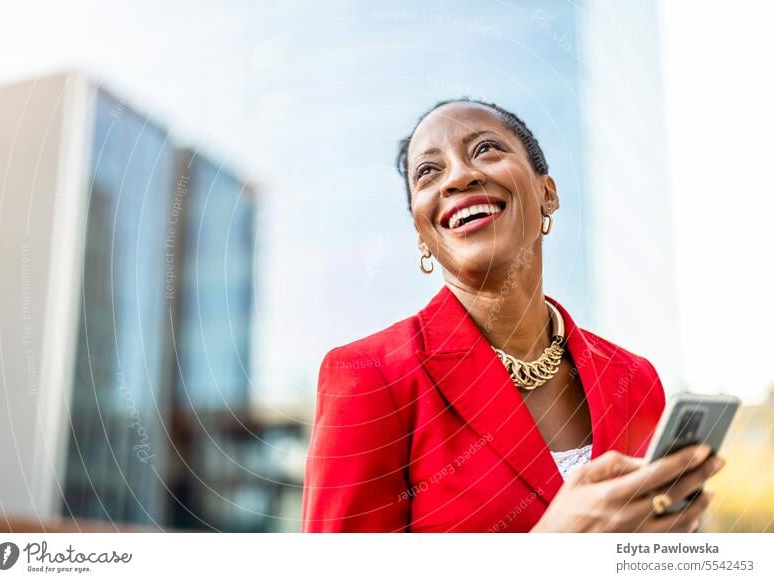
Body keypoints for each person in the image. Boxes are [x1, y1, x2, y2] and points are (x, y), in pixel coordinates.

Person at [301, 98, 725, 532]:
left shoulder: (635, 380)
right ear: (421, 233)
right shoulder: (368, 377)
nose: (460, 176)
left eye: (485, 149)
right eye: (428, 172)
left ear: (547, 193)